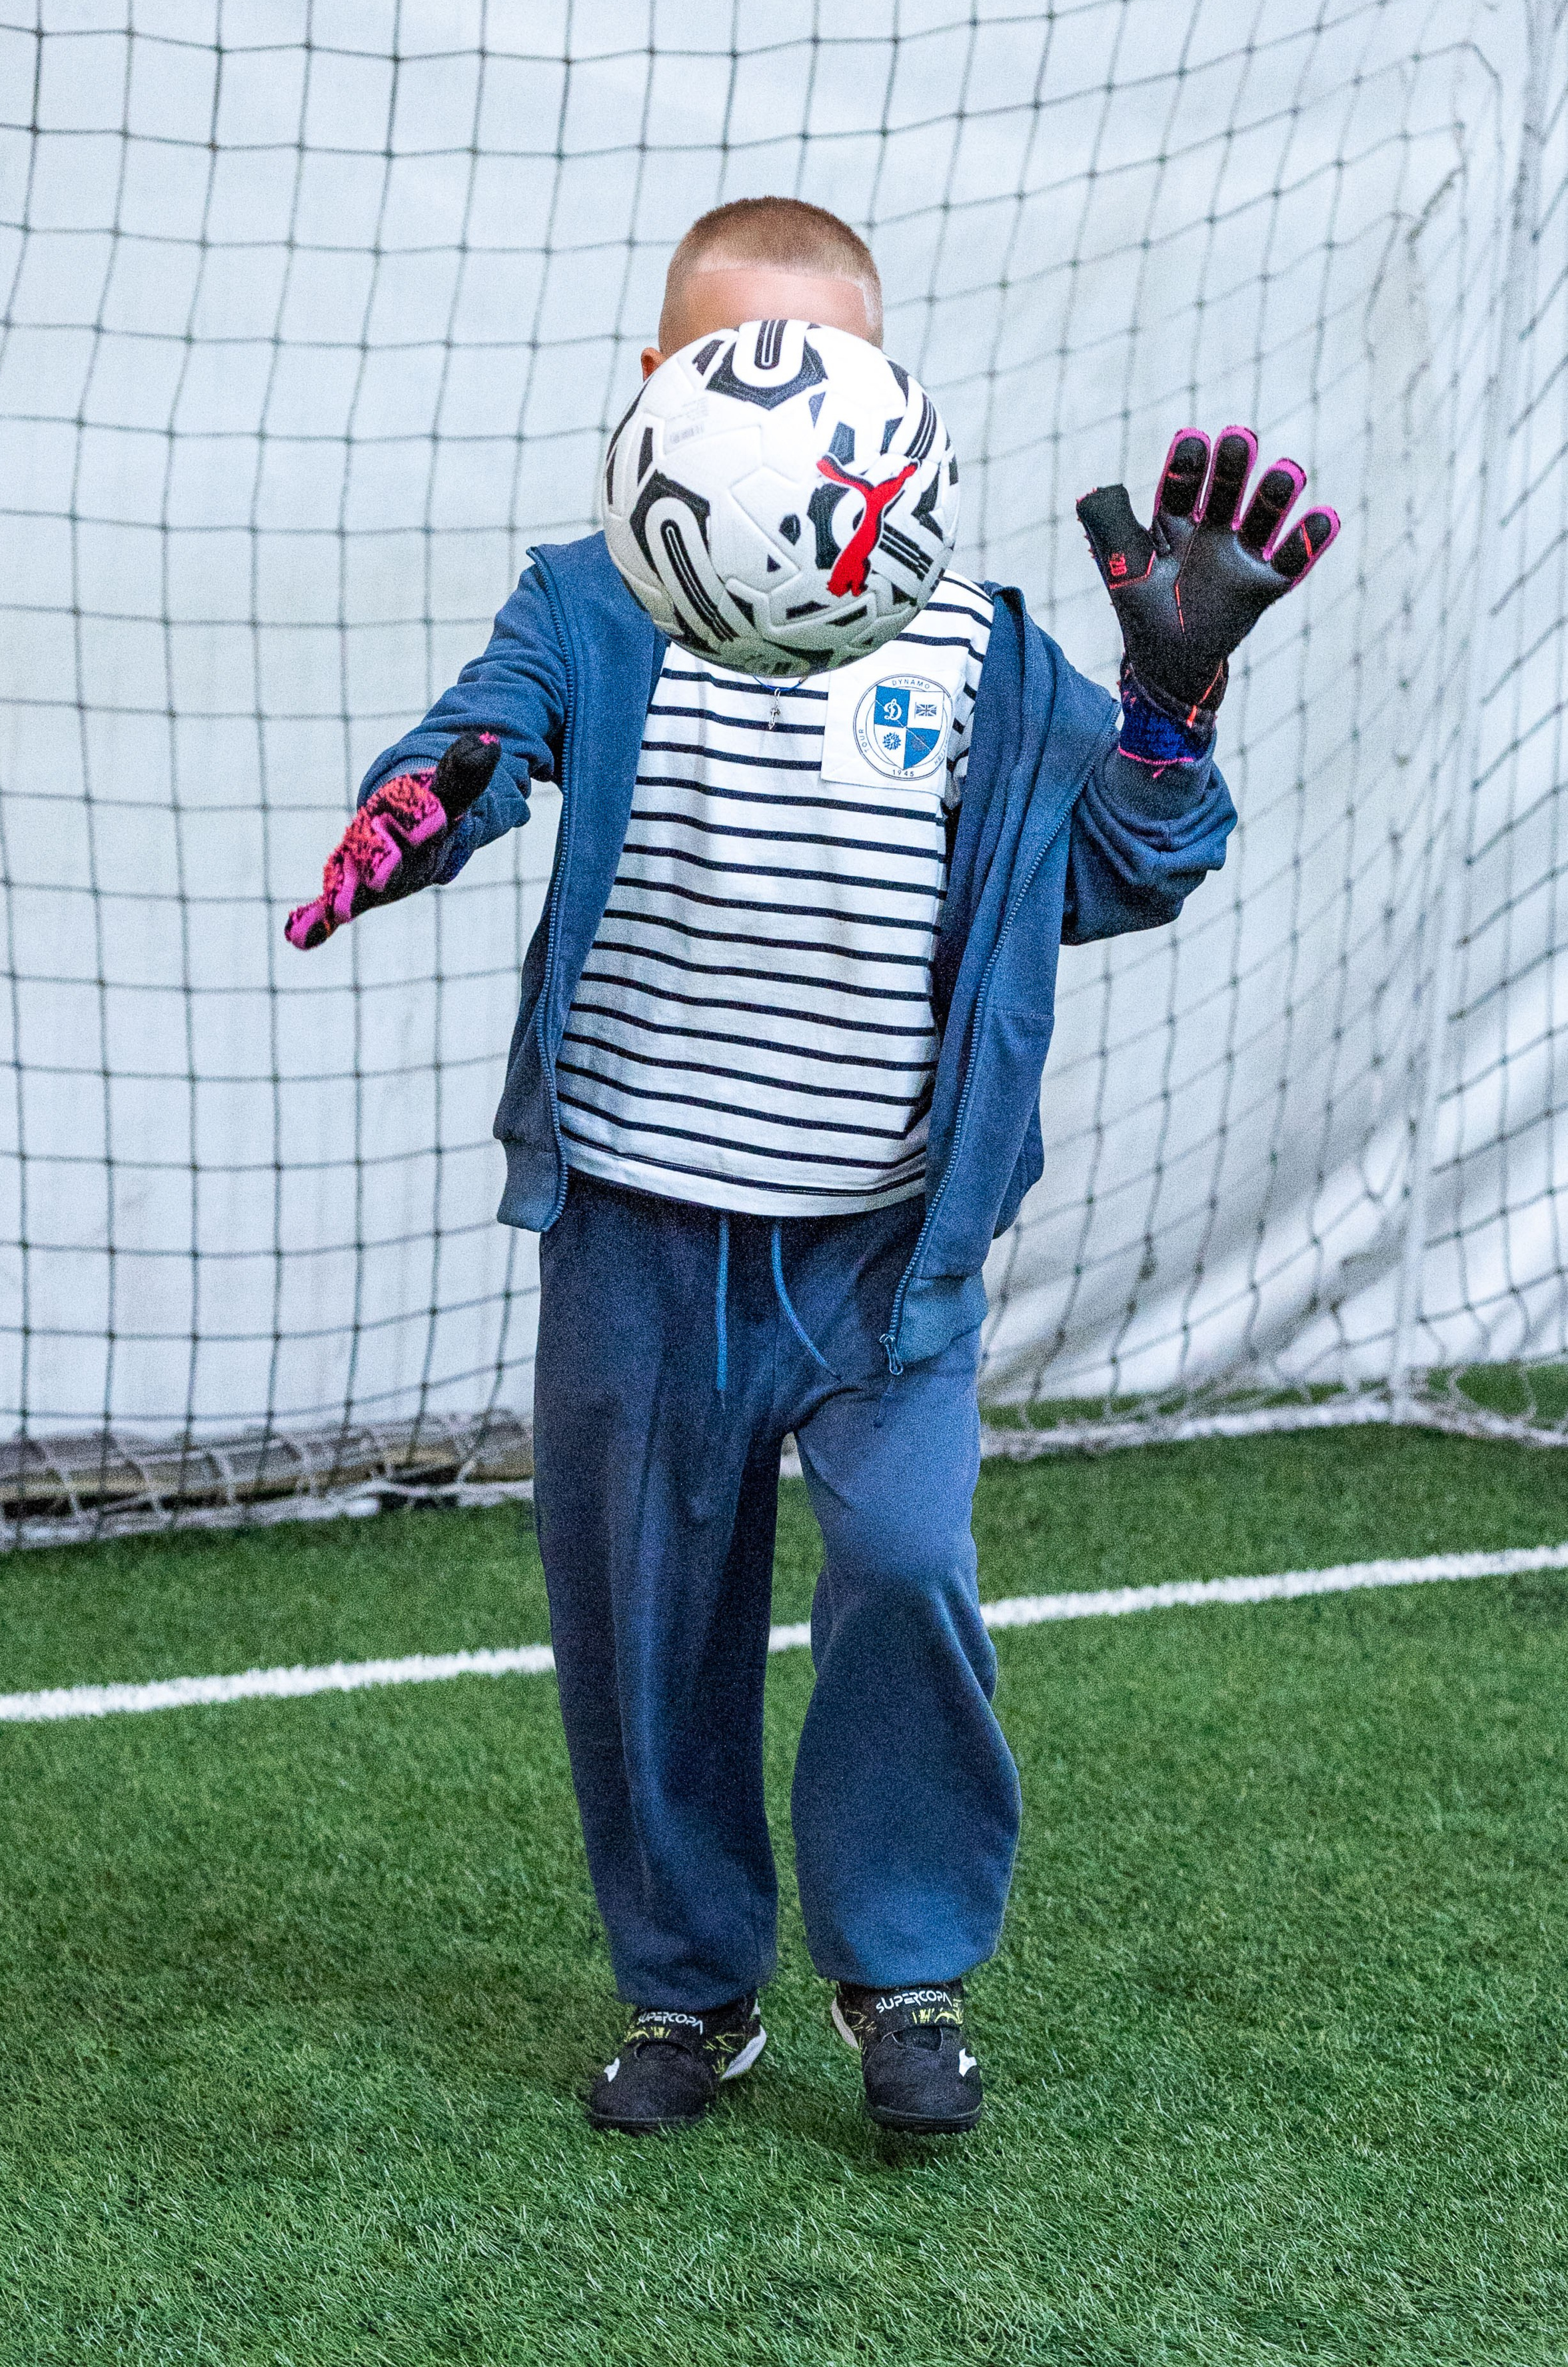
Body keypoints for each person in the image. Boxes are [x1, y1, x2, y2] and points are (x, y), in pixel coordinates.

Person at [286, 197, 1339, 2138]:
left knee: (911, 1558)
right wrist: (410, 819)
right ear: (653, 397)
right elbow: (480, 747)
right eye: (719, 373)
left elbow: (1123, 867)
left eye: (821, 376)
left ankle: (904, 1960)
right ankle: (691, 1990)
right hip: (639, 1232)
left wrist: (1172, 713)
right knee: (645, 1610)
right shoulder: (588, 601)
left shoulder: (985, 649)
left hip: (882, 1259)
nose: (772, 419)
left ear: (887, 397)